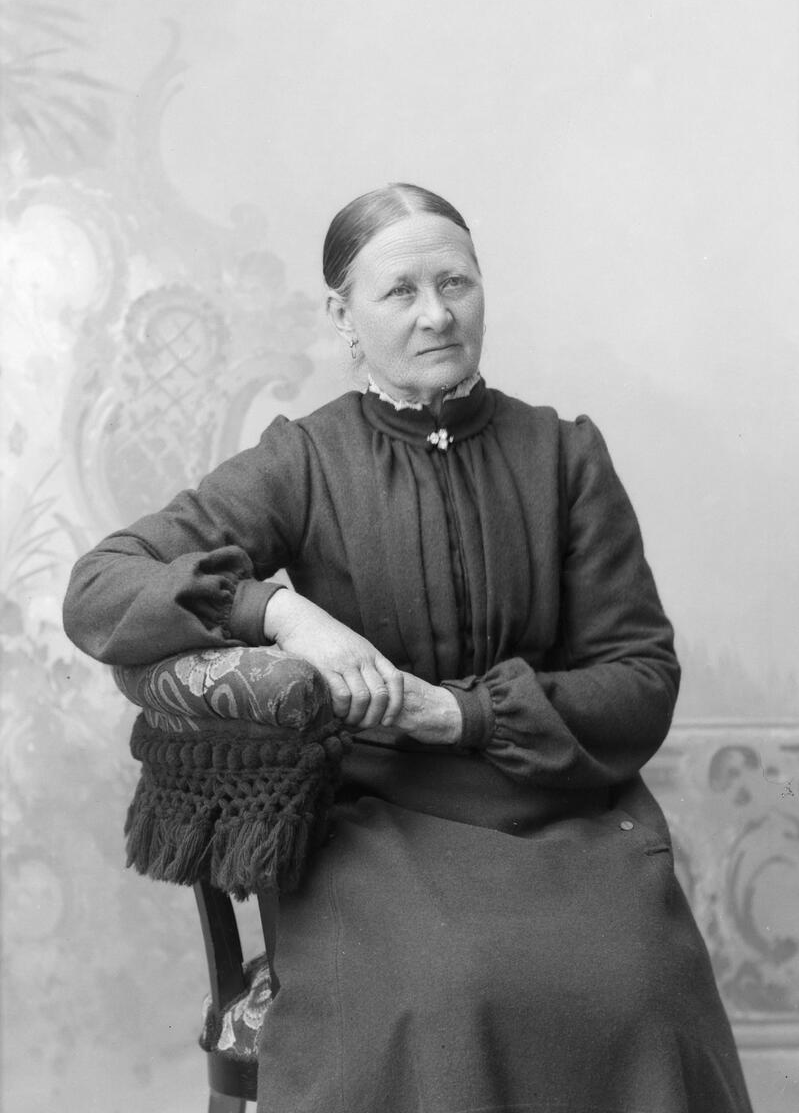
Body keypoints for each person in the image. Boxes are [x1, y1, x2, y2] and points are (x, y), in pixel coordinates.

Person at [63, 183, 753, 1113]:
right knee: (449, 990)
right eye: (400, 292)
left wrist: (460, 713)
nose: (437, 315)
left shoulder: (563, 457)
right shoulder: (303, 461)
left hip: (560, 808)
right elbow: (101, 585)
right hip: (379, 822)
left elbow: (639, 679)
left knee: (640, 991)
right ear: (342, 317)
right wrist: (280, 613)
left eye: (455, 283)